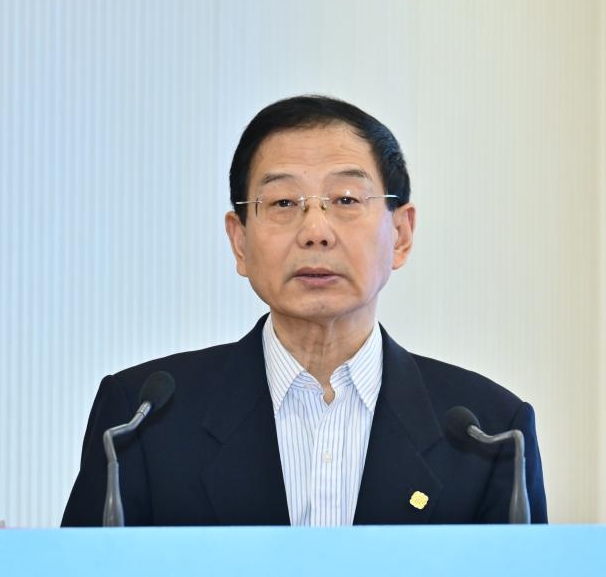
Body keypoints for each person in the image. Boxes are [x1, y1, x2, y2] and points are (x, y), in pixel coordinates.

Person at [62, 95, 547, 527]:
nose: (316, 231)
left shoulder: (492, 433)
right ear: (240, 241)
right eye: (283, 202)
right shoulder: (142, 422)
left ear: (400, 234)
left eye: (346, 199)